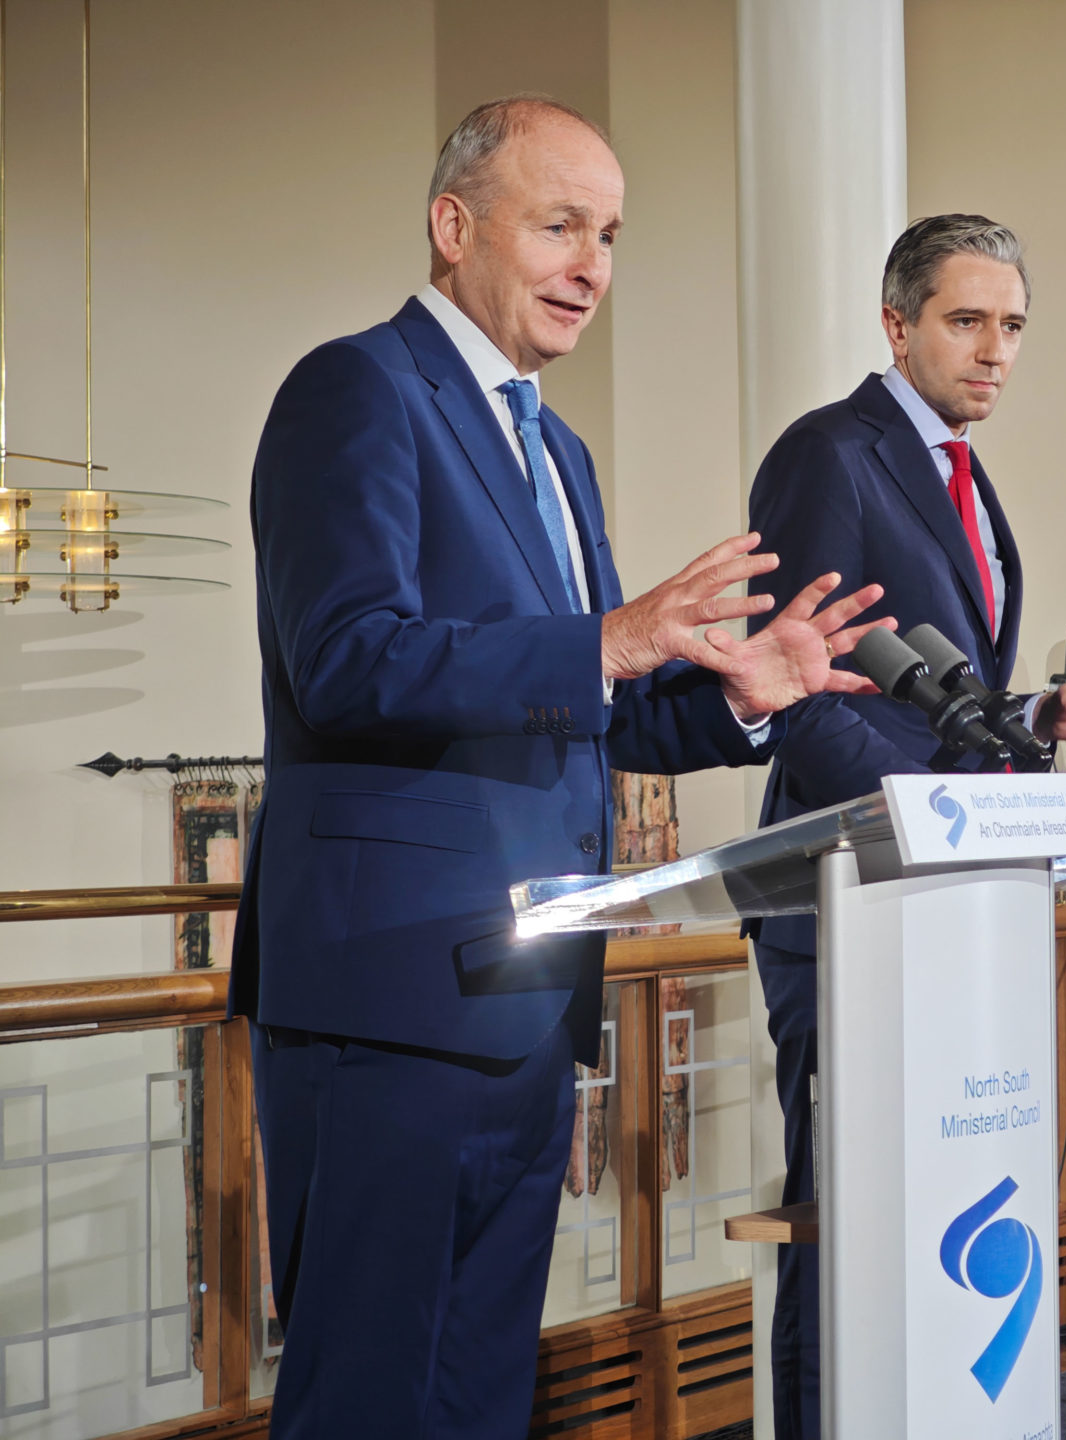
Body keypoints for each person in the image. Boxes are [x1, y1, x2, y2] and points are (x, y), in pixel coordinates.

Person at [233, 96, 891, 1440]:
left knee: (478, 1398)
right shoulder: (356, 389)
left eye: (611, 234)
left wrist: (734, 700)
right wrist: (604, 640)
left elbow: (593, 709)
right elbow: (347, 661)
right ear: (452, 225)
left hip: (527, 995)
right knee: (370, 1399)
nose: (594, 262)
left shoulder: (557, 449)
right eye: (561, 225)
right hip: (390, 995)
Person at [743, 212, 1066, 1440]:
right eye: (967, 321)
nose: (994, 352)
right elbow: (807, 695)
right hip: (855, 896)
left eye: (1012, 326)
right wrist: (934, 816)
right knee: (851, 1210)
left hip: (946, 890)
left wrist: (1042, 710)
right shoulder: (832, 454)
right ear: (897, 322)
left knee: (938, 1207)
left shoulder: (960, 470)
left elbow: (936, 697)